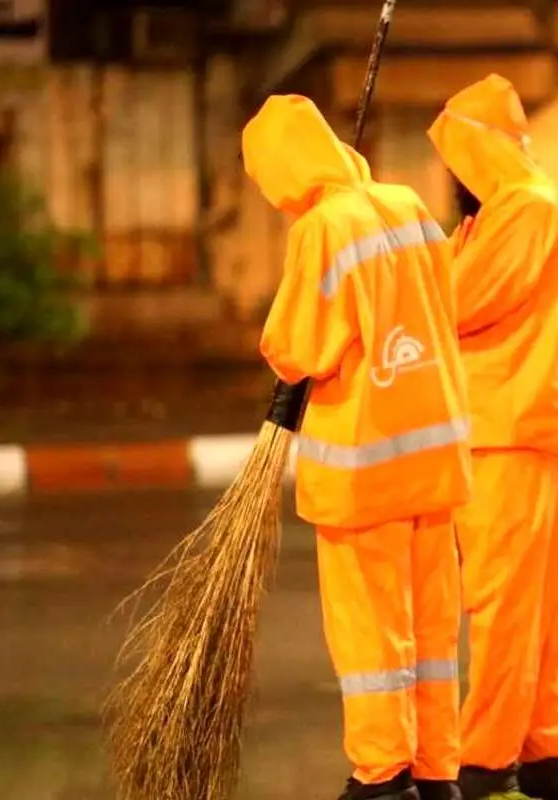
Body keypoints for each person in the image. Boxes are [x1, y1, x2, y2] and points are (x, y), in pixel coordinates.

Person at [243, 94, 471, 800]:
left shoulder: (323, 228)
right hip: (434, 456)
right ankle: (436, 770)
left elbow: (297, 346)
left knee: (371, 631)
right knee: (432, 629)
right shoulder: (408, 205)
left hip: (365, 466)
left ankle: (381, 776)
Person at [427, 74, 558, 800]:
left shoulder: (524, 206)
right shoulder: (491, 219)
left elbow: (455, 302)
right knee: (543, 609)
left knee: (502, 603)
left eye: (453, 161)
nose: (449, 179)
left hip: (510, 429)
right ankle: (549, 757)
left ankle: (483, 761)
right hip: (518, 427)